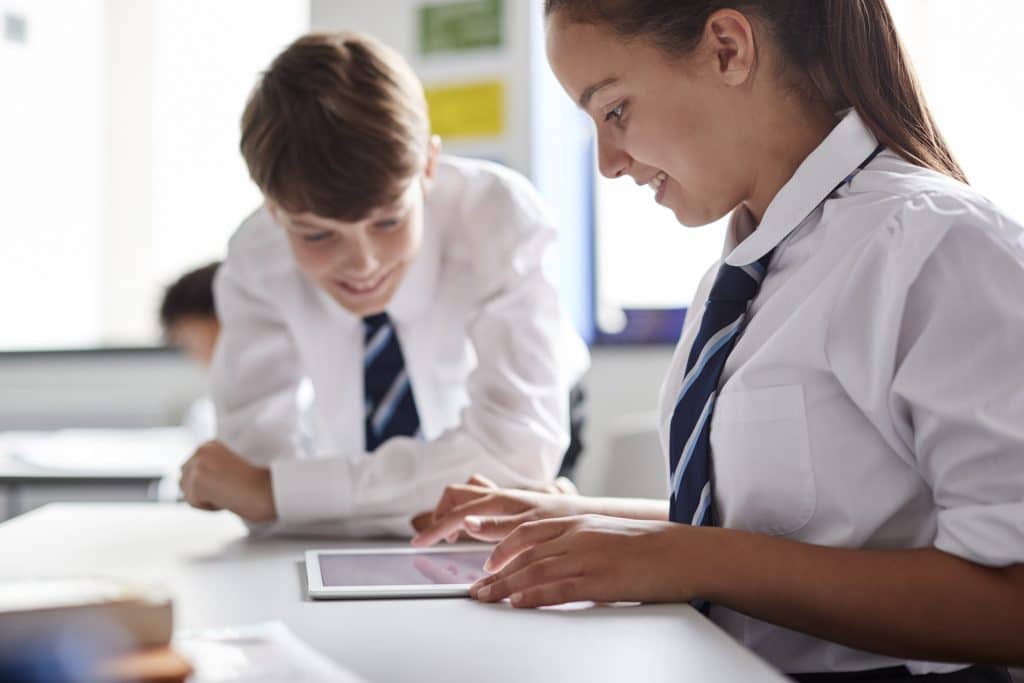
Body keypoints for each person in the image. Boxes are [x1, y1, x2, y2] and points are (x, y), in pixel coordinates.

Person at [413, 1, 1024, 679]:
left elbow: (1010, 600)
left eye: (615, 111)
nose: (609, 164)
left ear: (729, 48)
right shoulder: (739, 276)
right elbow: (789, 529)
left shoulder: (939, 248)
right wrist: (573, 514)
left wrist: (678, 558)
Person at [177, 32, 589, 537]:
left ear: (430, 167)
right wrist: (280, 493)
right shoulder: (256, 258)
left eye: (388, 222)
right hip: (367, 464)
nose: (363, 264)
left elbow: (518, 456)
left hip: (552, 409)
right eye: (318, 234)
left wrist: (288, 493)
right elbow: (249, 477)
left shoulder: (499, 219)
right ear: (272, 207)